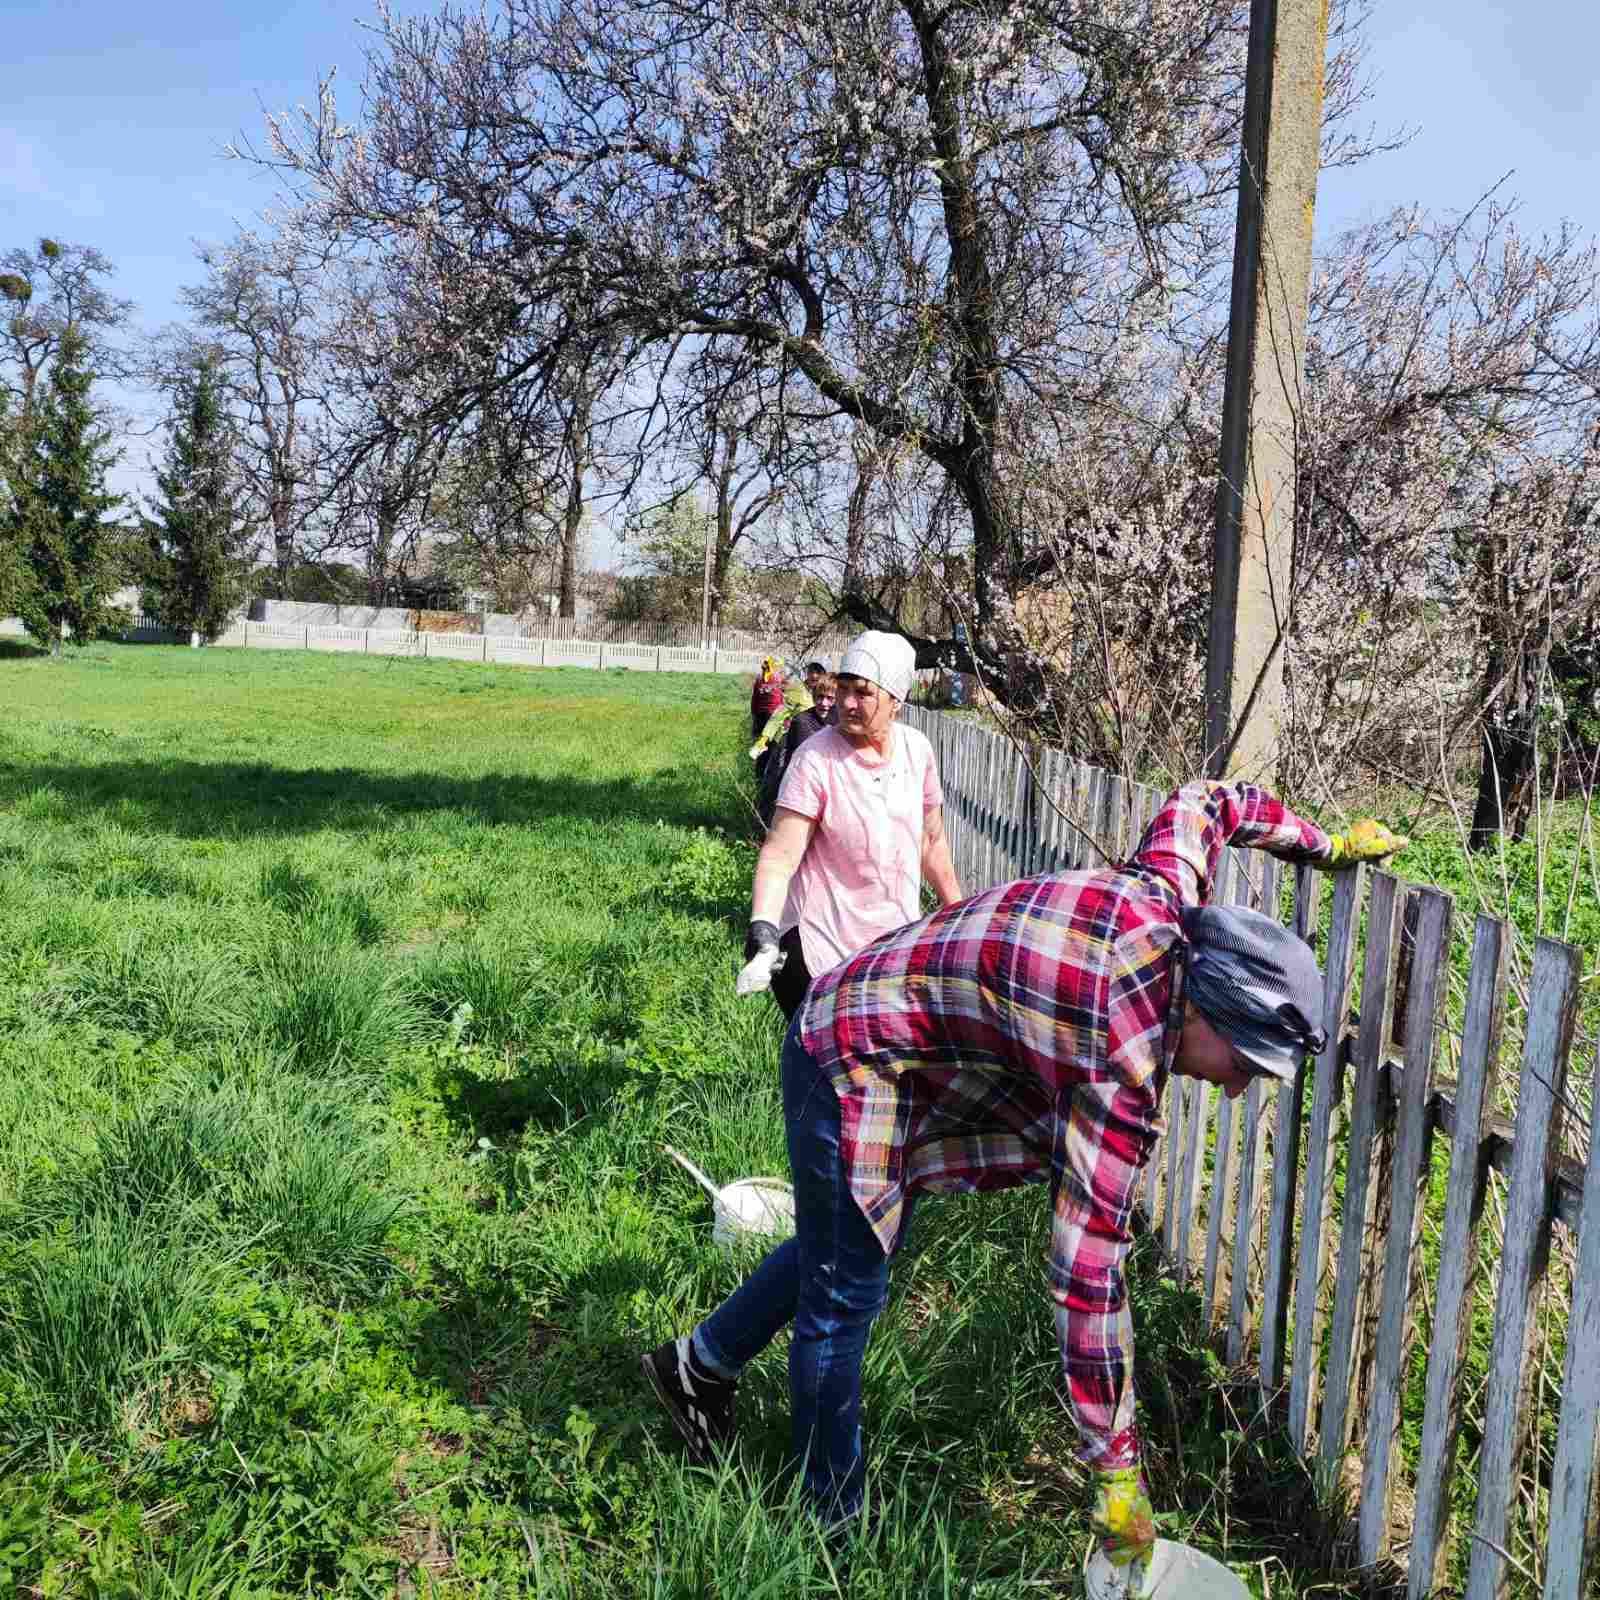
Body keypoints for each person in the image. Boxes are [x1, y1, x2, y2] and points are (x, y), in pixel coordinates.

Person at [643, 786, 1405, 1558]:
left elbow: (1211, 802)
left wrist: (1326, 845)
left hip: (899, 1034)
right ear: (1205, 1012)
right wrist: (1117, 1478)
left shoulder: (1165, 896)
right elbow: (1087, 1283)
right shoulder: (1120, 1060)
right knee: (846, 1294)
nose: (1239, 1086)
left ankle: (696, 1364)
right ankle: (829, 1531)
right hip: (849, 1052)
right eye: (1244, 1064)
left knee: (847, 1244)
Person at [741, 630, 961, 1023]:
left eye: (863, 692)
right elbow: (780, 853)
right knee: (828, 1074)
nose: (845, 702)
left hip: (889, 948)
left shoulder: (916, 751)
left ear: (897, 700)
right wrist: (763, 926)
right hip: (819, 951)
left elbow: (931, 841)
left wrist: (959, 917)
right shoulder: (815, 759)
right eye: (842, 688)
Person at [755, 672, 836, 830]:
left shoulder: (839, 720)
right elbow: (801, 763)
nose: (824, 703)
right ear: (813, 696)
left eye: (830, 698)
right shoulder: (802, 721)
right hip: (803, 785)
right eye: (820, 697)